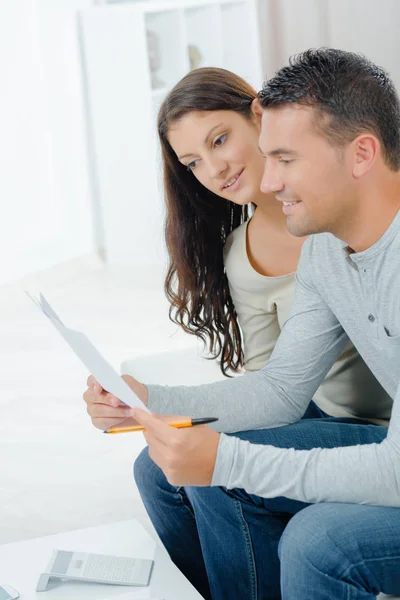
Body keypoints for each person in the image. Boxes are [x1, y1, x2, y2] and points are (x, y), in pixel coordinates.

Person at [84, 48, 400, 600]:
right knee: (174, 469)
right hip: (368, 436)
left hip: (381, 443)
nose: (268, 182)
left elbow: (391, 468)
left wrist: (229, 459)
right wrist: (147, 402)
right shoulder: (327, 248)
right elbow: (280, 386)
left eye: (285, 159)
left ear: (361, 154)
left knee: (308, 535)